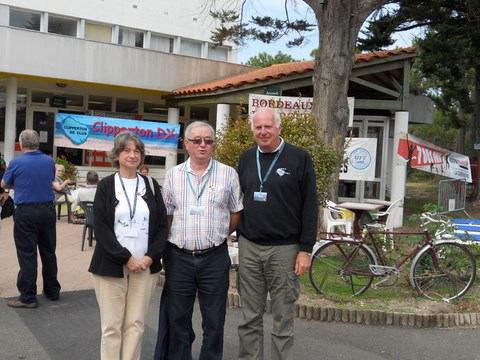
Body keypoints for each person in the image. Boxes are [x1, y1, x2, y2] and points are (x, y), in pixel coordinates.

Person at [237, 108, 318, 360]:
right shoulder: (246, 158)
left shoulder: (298, 158)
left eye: (268, 127)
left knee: (283, 318)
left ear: (278, 128)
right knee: (249, 316)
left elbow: (310, 205)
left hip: (285, 249)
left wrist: (305, 249)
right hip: (250, 246)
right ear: (253, 129)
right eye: (258, 127)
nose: (263, 132)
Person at [158, 121, 243, 360]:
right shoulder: (172, 176)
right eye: (197, 140)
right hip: (179, 258)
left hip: (214, 258)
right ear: (186, 144)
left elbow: (236, 212)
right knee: (178, 321)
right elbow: (166, 215)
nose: (203, 145)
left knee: (214, 323)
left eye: (208, 140)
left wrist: (217, 236)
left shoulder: (228, 174)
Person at [88, 130, 168, 360]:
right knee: (111, 327)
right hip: (111, 266)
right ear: (117, 155)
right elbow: (101, 228)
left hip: (144, 266)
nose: (132, 155)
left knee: (136, 324)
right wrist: (126, 258)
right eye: (127, 150)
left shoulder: (151, 185)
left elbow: (163, 225)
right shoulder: (106, 185)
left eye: (137, 151)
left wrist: (150, 257)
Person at [1, 129, 61, 308]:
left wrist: (16, 183)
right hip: (48, 210)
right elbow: (49, 179)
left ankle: (28, 297)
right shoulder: (49, 161)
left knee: (27, 254)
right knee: (49, 252)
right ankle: (52, 291)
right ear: (38, 143)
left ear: (21, 143)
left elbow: (3, 184)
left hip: (26, 212)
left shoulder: (16, 163)